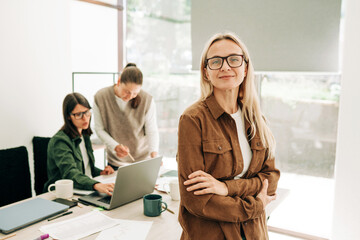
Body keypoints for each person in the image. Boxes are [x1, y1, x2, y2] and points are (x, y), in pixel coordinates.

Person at [177, 32, 280, 240]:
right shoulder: (192, 119)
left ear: (245, 68)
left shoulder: (257, 119)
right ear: (206, 72)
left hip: (254, 233)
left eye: (234, 59)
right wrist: (255, 204)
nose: (225, 67)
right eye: (215, 61)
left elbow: (271, 179)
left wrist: (225, 188)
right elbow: (197, 200)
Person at [44, 93, 115, 195]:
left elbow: (85, 169)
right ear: (68, 116)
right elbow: (70, 173)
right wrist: (96, 185)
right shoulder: (60, 141)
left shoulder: (84, 136)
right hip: (62, 194)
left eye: (86, 112)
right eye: (78, 115)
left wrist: (100, 172)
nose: (85, 118)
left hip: (82, 190)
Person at [93, 63, 159, 169]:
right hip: (115, 163)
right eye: (127, 92)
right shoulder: (100, 97)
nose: (130, 97)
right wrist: (115, 146)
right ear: (119, 81)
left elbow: (152, 130)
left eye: (135, 93)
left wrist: (154, 155)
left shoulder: (147, 99)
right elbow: (99, 129)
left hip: (142, 161)